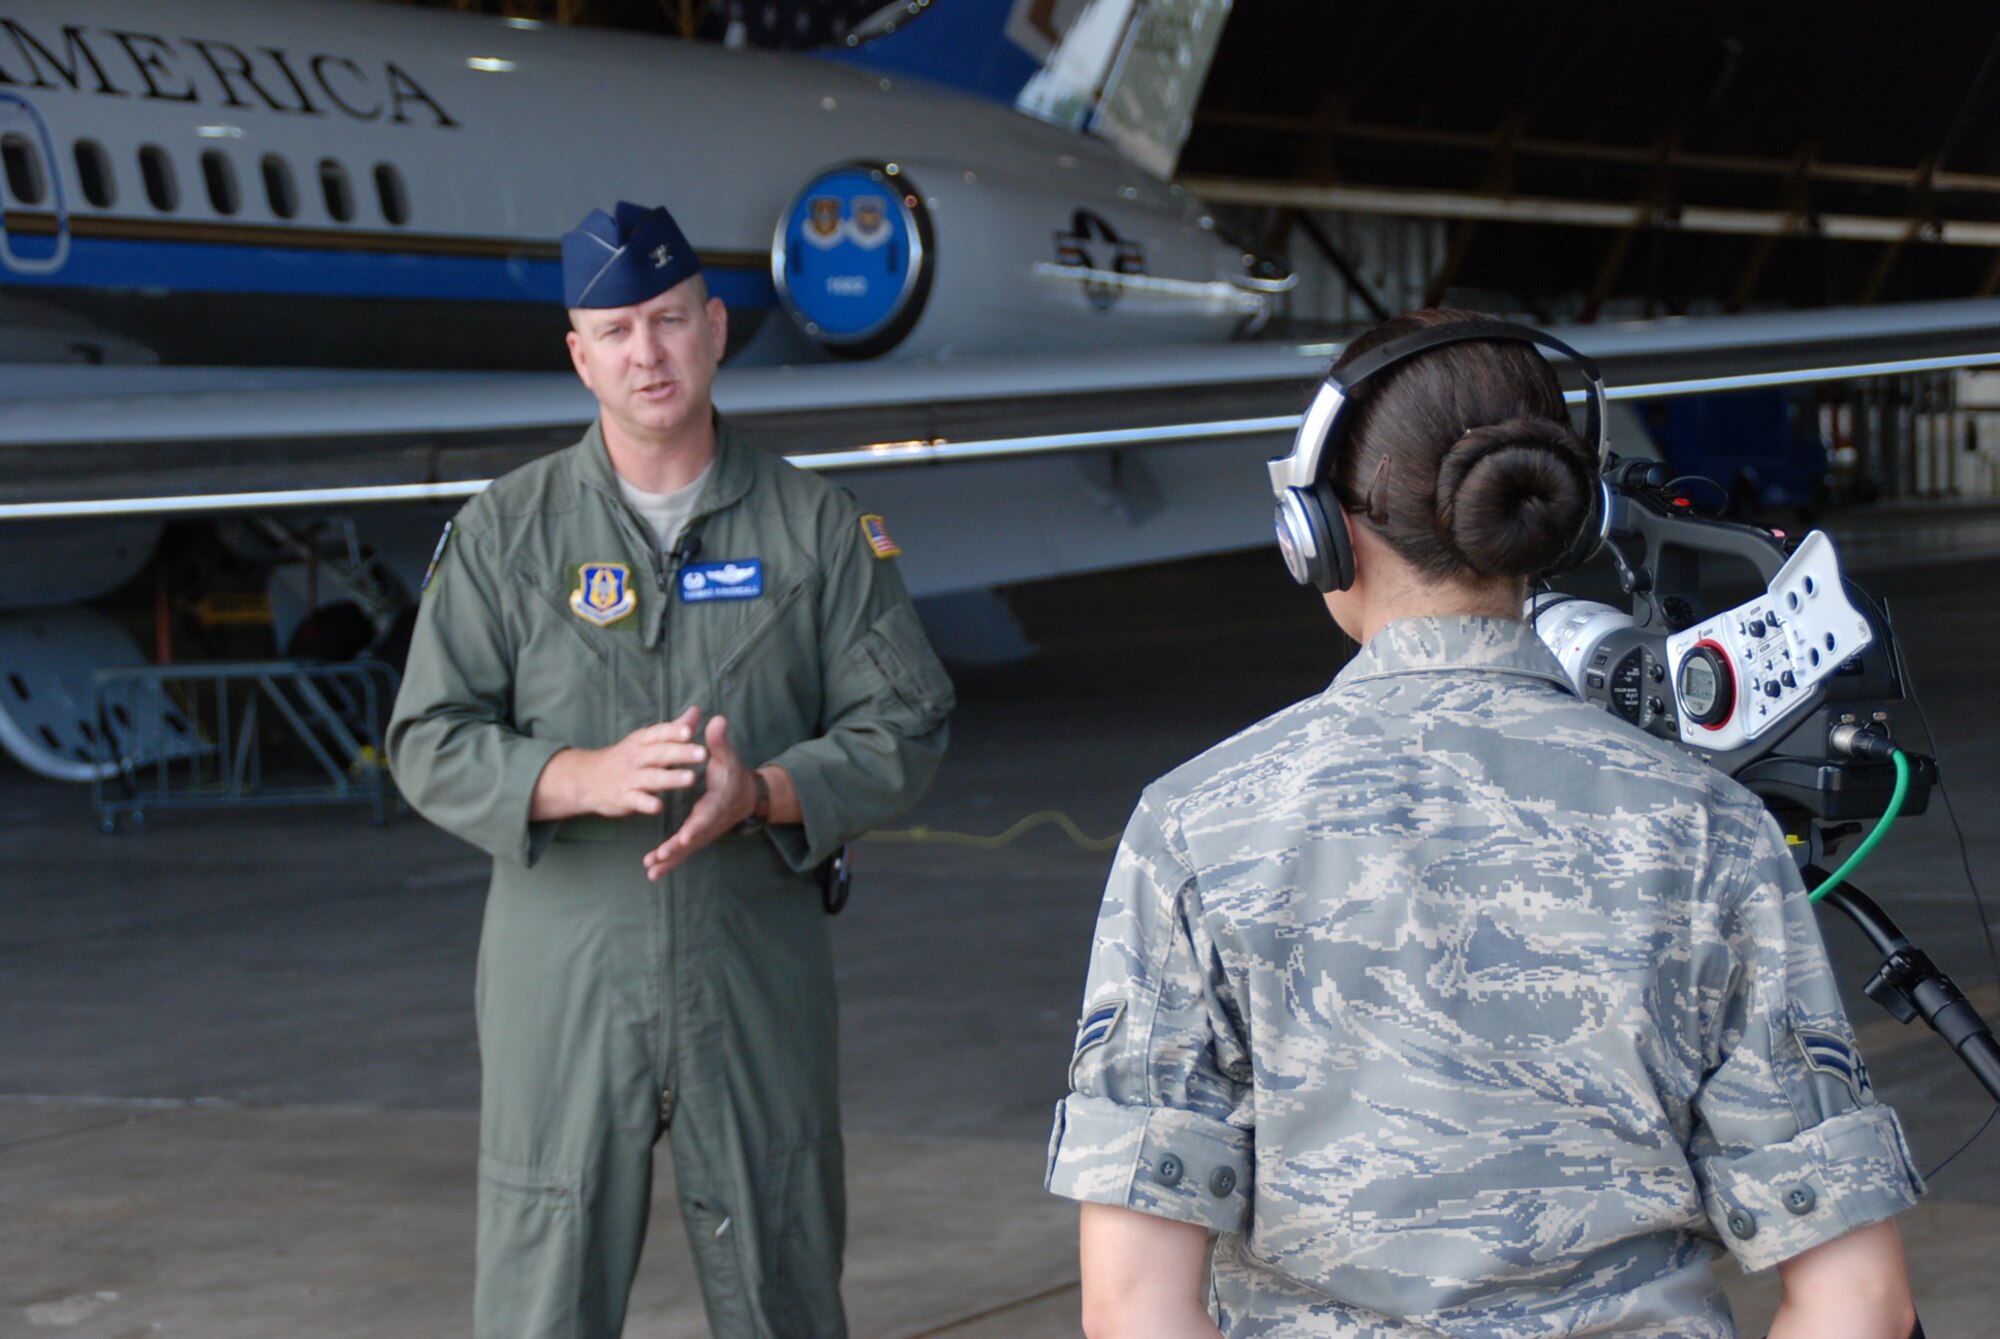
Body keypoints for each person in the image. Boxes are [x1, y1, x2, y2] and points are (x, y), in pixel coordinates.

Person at [1045, 308, 1923, 1338]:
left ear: (1323, 531)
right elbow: (1855, 1299)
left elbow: (1132, 1305)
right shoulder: (1709, 831)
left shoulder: (1194, 827)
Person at [387, 201, 953, 1339]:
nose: (645, 353)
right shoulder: (506, 535)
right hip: (564, 965)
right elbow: (427, 736)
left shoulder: (818, 531)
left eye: (668, 319)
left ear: (716, 328)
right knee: (543, 1271)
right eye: (615, 330)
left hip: (750, 954)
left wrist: (772, 793)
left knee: (782, 1258)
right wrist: (572, 776)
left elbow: (905, 723)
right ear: (577, 355)